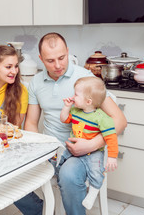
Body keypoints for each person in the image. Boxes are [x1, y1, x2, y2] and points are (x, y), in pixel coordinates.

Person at [15, 32, 127, 215]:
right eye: (50, 61)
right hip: (50, 151)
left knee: (67, 175)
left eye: (62, 57)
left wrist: (92, 144)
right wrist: (38, 152)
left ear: (68, 52)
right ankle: (39, 210)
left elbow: (120, 121)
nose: (58, 65)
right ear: (40, 58)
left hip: (80, 153)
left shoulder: (86, 79)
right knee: (11, 172)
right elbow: (32, 124)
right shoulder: (35, 82)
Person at [60, 76, 118, 210]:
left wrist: (112, 157)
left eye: (76, 94)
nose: (73, 97)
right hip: (73, 151)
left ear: (88, 101)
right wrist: (67, 107)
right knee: (60, 162)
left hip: (94, 153)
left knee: (97, 171)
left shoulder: (102, 118)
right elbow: (64, 119)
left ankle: (93, 192)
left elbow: (111, 138)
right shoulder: (75, 111)